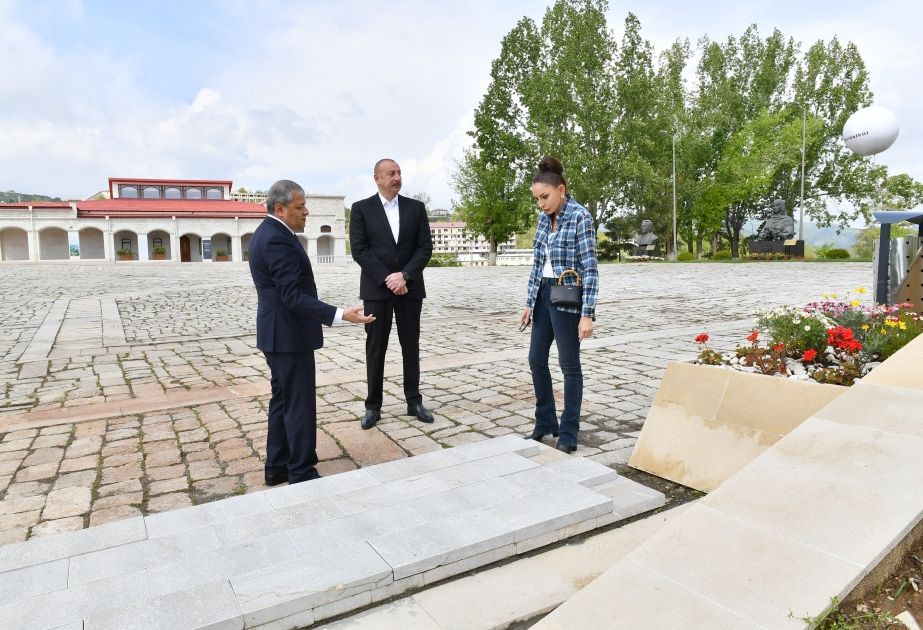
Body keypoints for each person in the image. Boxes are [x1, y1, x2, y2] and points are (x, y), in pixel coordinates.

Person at [249, 179, 374, 485]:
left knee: (282, 401)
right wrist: (338, 314)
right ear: (280, 209)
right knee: (298, 405)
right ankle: (300, 471)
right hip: (288, 336)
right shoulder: (277, 238)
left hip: (277, 335)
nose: (306, 211)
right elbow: (292, 296)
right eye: (300, 206)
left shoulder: (267, 232)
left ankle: (277, 466)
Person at [519, 157, 599, 453]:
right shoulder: (543, 219)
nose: (540, 204)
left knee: (569, 366)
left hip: (567, 296)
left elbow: (590, 269)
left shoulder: (580, 217)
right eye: (537, 198)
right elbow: (537, 263)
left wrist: (587, 314)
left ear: (561, 190)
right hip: (543, 294)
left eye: (545, 197)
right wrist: (529, 303)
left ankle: (568, 432)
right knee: (536, 359)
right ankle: (544, 422)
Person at [350, 159, 434, 430]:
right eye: (391, 173)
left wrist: (405, 276)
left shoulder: (416, 208)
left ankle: (414, 401)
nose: (397, 177)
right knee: (376, 348)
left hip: (410, 288)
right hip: (377, 289)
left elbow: (424, 248)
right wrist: (388, 278)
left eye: (399, 173)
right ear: (377, 178)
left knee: (411, 345)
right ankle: (373, 406)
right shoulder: (361, 209)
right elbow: (360, 250)